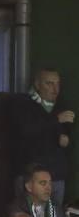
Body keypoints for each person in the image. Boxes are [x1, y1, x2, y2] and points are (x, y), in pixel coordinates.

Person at [8, 69, 72, 199]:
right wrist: (56, 120)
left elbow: (65, 138)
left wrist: (65, 140)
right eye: (49, 83)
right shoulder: (22, 103)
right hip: (30, 176)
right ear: (37, 85)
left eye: (58, 84)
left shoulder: (61, 106)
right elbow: (25, 130)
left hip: (56, 177)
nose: (55, 89)